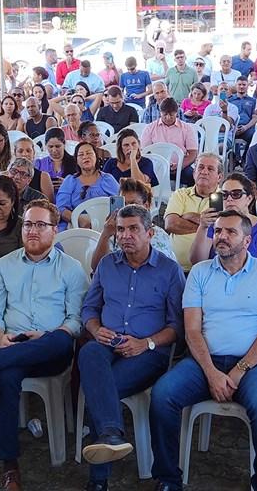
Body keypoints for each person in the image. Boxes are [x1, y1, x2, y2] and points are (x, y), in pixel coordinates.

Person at [0, 200, 88, 491]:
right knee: (7, 376)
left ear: (55, 230)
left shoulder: (72, 269)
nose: (32, 231)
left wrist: (50, 334)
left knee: (59, 339)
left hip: (50, 345)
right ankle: (10, 467)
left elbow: (75, 321)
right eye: (29, 224)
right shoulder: (6, 265)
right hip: (10, 343)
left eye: (41, 225)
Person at [149, 210, 257, 491]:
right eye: (219, 231)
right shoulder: (200, 272)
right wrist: (212, 373)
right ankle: (167, 479)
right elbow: (191, 330)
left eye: (230, 232)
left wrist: (237, 372)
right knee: (163, 395)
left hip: (255, 364)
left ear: (247, 241)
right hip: (205, 361)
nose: (221, 237)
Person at [78, 205, 185, 488]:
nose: (125, 236)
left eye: (133, 229)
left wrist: (145, 343)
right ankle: (112, 433)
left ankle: (98, 480)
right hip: (107, 342)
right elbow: (89, 309)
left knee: (100, 386)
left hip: (147, 352)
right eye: (121, 230)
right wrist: (96, 329)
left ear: (150, 233)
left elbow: (178, 327)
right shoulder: (107, 265)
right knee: (89, 352)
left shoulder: (169, 271)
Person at [190, 173, 257, 265]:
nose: (229, 199)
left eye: (236, 194)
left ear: (249, 198)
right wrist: (203, 227)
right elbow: (197, 261)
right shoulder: (213, 224)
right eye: (224, 195)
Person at [89, 178, 176, 270]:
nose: (127, 209)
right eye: (124, 204)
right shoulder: (111, 232)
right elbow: (97, 267)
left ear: (146, 206)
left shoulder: (159, 235)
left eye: (133, 204)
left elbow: (165, 271)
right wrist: (105, 235)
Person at [163, 152, 223, 271]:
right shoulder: (180, 194)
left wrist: (188, 216)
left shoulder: (224, 198)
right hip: (175, 267)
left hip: (209, 269)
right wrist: (204, 225)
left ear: (219, 177)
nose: (204, 172)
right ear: (194, 172)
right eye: (200, 167)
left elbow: (218, 231)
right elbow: (171, 224)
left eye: (210, 169)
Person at [55, 142, 119, 230]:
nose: (85, 157)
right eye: (81, 155)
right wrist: (78, 220)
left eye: (89, 153)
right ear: (76, 160)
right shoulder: (70, 181)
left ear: (96, 156)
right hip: (75, 226)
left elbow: (119, 205)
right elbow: (61, 208)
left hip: (106, 226)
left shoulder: (108, 179)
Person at [140, 98, 199, 187]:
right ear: (160, 113)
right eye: (165, 115)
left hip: (180, 167)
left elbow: (193, 153)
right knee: (141, 177)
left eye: (171, 115)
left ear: (176, 113)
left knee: (194, 177)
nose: (168, 118)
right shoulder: (150, 128)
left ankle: (188, 199)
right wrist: (157, 164)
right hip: (156, 167)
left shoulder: (187, 128)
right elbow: (144, 152)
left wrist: (180, 165)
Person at [35, 127, 78, 195]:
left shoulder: (75, 162)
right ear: (46, 146)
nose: (54, 150)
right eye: (50, 147)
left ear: (64, 144)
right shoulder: (39, 164)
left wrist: (68, 185)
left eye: (57, 146)